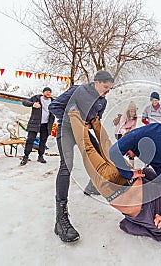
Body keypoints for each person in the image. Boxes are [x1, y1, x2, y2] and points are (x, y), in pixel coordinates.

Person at [68, 110, 161, 241]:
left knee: (107, 146)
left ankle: (94, 119)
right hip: (113, 192)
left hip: (130, 178)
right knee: (87, 148)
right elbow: (126, 226)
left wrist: (131, 174)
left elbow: (150, 173)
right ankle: (74, 114)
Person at [48, 70, 113, 243]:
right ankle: (60, 219)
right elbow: (53, 106)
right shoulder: (78, 90)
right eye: (105, 87)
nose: (107, 91)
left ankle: (92, 186)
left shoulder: (102, 101)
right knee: (66, 166)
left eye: (110, 89)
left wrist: (90, 123)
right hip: (67, 130)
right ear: (96, 82)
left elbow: (96, 119)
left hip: (83, 132)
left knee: (100, 155)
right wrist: (71, 120)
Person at [20, 87, 55, 165]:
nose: (48, 93)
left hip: (46, 124)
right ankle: (25, 156)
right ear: (43, 92)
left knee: (43, 141)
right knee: (30, 140)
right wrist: (33, 104)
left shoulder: (53, 102)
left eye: (50, 91)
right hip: (34, 123)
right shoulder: (36, 98)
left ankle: (40, 156)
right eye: (46, 91)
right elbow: (24, 102)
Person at [114, 101, 138, 167]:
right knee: (123, 147)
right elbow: (121, 127)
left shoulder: (135, 118)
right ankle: (118, 163)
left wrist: (131, 134)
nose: (132, 113)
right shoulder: (124, 117)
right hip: (119, 133)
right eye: (131, 111)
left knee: (131, 148)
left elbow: (133, 127)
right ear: (128, 111)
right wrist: (125, 133)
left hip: (128, 134)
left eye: (134, 111)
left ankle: (132, 165)